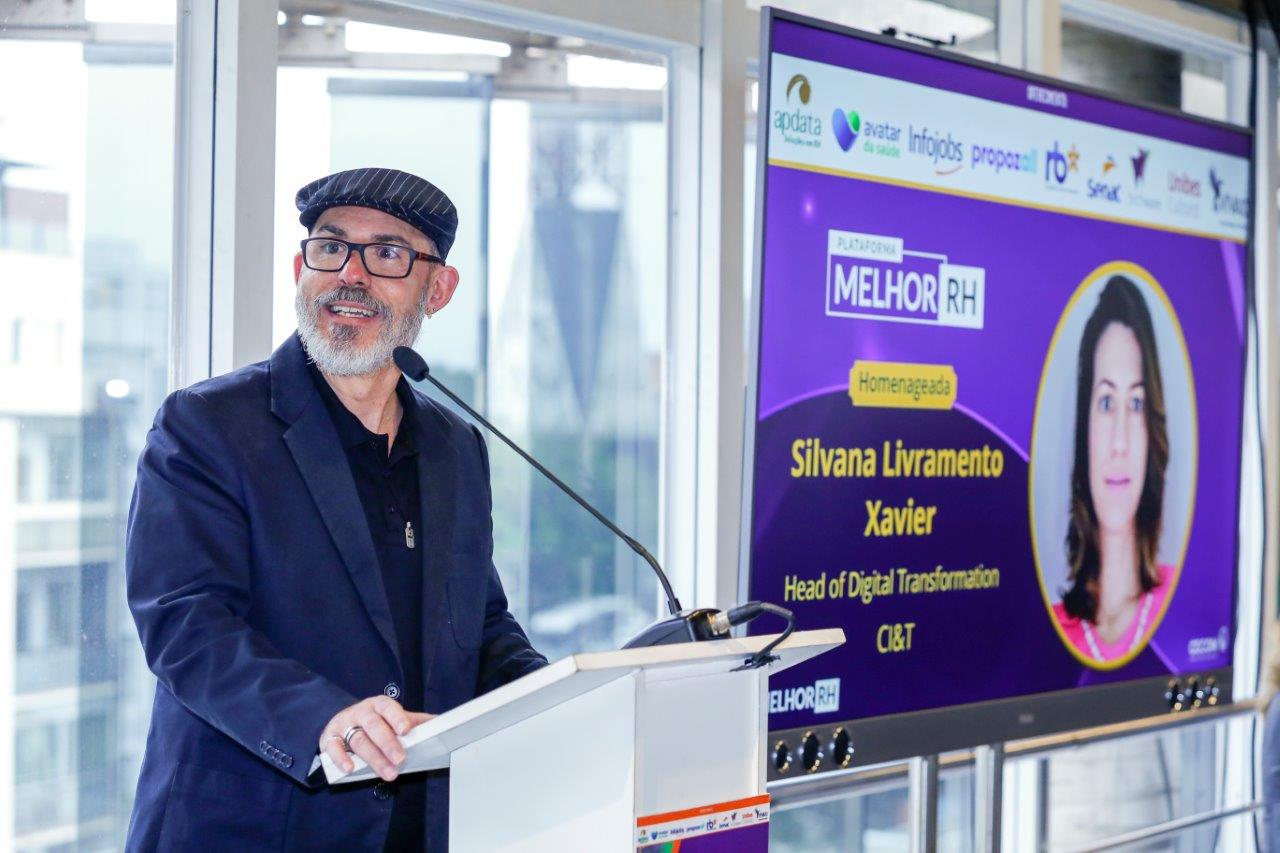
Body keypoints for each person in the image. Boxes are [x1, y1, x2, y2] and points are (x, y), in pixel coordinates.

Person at [124, 167, 547, 852]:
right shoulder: (206, 425)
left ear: (438, 289)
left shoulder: (456, 445)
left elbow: (479, 622)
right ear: (301, 270)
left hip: (420, 830)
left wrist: (557, 695)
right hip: (250, 830)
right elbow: (186, 624)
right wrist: (325, 718)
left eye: (387, 254)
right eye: (330, 248)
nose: (351, 275)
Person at [1052, 276, 1173, 664]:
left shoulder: (1181, 602)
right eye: (1106, 402)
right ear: (1084, 429)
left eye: (1136, 405)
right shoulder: (1049, 630)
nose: (1120, 442)